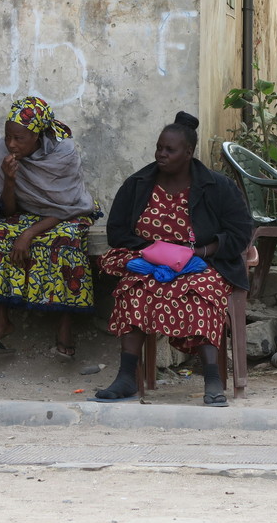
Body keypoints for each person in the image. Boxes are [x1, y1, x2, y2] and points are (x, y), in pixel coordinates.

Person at [93, 112, 253, 406]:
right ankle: (127, 376)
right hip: (150, 262)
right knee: (133, 289)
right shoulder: (138, 183)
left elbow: (241, 232)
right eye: (159, 148)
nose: (161, 154)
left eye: (170, 150)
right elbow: (117, 231)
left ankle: (212, 378)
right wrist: (155, 252)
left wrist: (198, 253)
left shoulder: (217, 187)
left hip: (201, 264)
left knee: (202, 292)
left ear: (188, 153)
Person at [0, 97, 99, 360]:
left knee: (66, 242)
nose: (11, 144)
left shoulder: (64, 153)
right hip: (26, 213)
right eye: (8, 136)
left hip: (68, 214)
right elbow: (9, 212)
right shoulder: (1, 153)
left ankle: (64, 329)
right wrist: (9, 180)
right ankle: (1, 324)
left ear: (38, 135)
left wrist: (29, 234)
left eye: (19, 138)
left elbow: (67, 206)